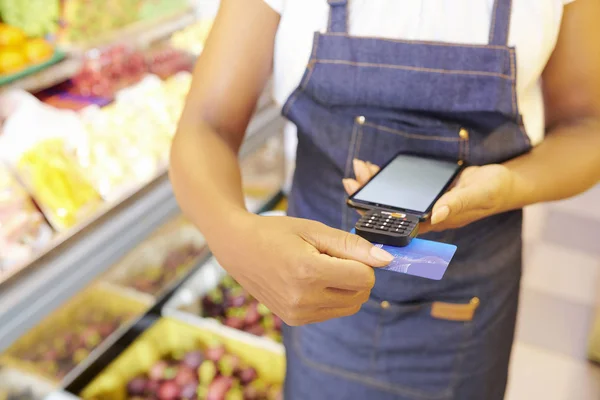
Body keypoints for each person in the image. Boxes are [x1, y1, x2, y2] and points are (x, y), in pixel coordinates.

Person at [170, 0, 600, 398]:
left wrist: (507, 185)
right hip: (322, 299)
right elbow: (206, 123)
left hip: (467, 307)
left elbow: (588, 127)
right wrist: (234, 235)